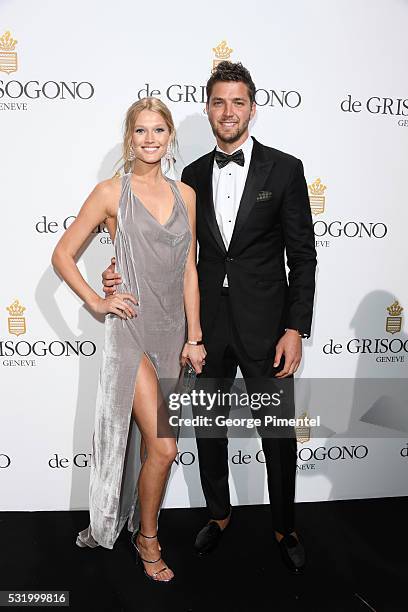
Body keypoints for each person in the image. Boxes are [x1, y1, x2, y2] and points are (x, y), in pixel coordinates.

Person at [102, 62, 317, 573]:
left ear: (252, 108)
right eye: (218, 102)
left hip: (267, 328)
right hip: (200, 327)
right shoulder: (192, 177)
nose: (227, 111)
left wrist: (295, 327)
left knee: (277, 432)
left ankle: (285, 525)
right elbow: (166, 251)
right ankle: (218, 514)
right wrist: (115, 272)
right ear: (207, 108)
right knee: (208, 430)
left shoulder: (285, 169)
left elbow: (302, 255)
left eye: (237, 102)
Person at [51, 97, 206, 582]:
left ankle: (144, 525)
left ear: (169, 138)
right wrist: (98, 301)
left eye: (159, 130)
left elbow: (189, 270)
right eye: (141, 131)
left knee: (156, 448)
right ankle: (148, 540)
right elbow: (62, 254)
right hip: (131, 330)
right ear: (129, 138)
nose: (150, 139)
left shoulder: (186, 195)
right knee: (163, 448)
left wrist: (195, 336)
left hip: (173, 332)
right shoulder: (109, 193)